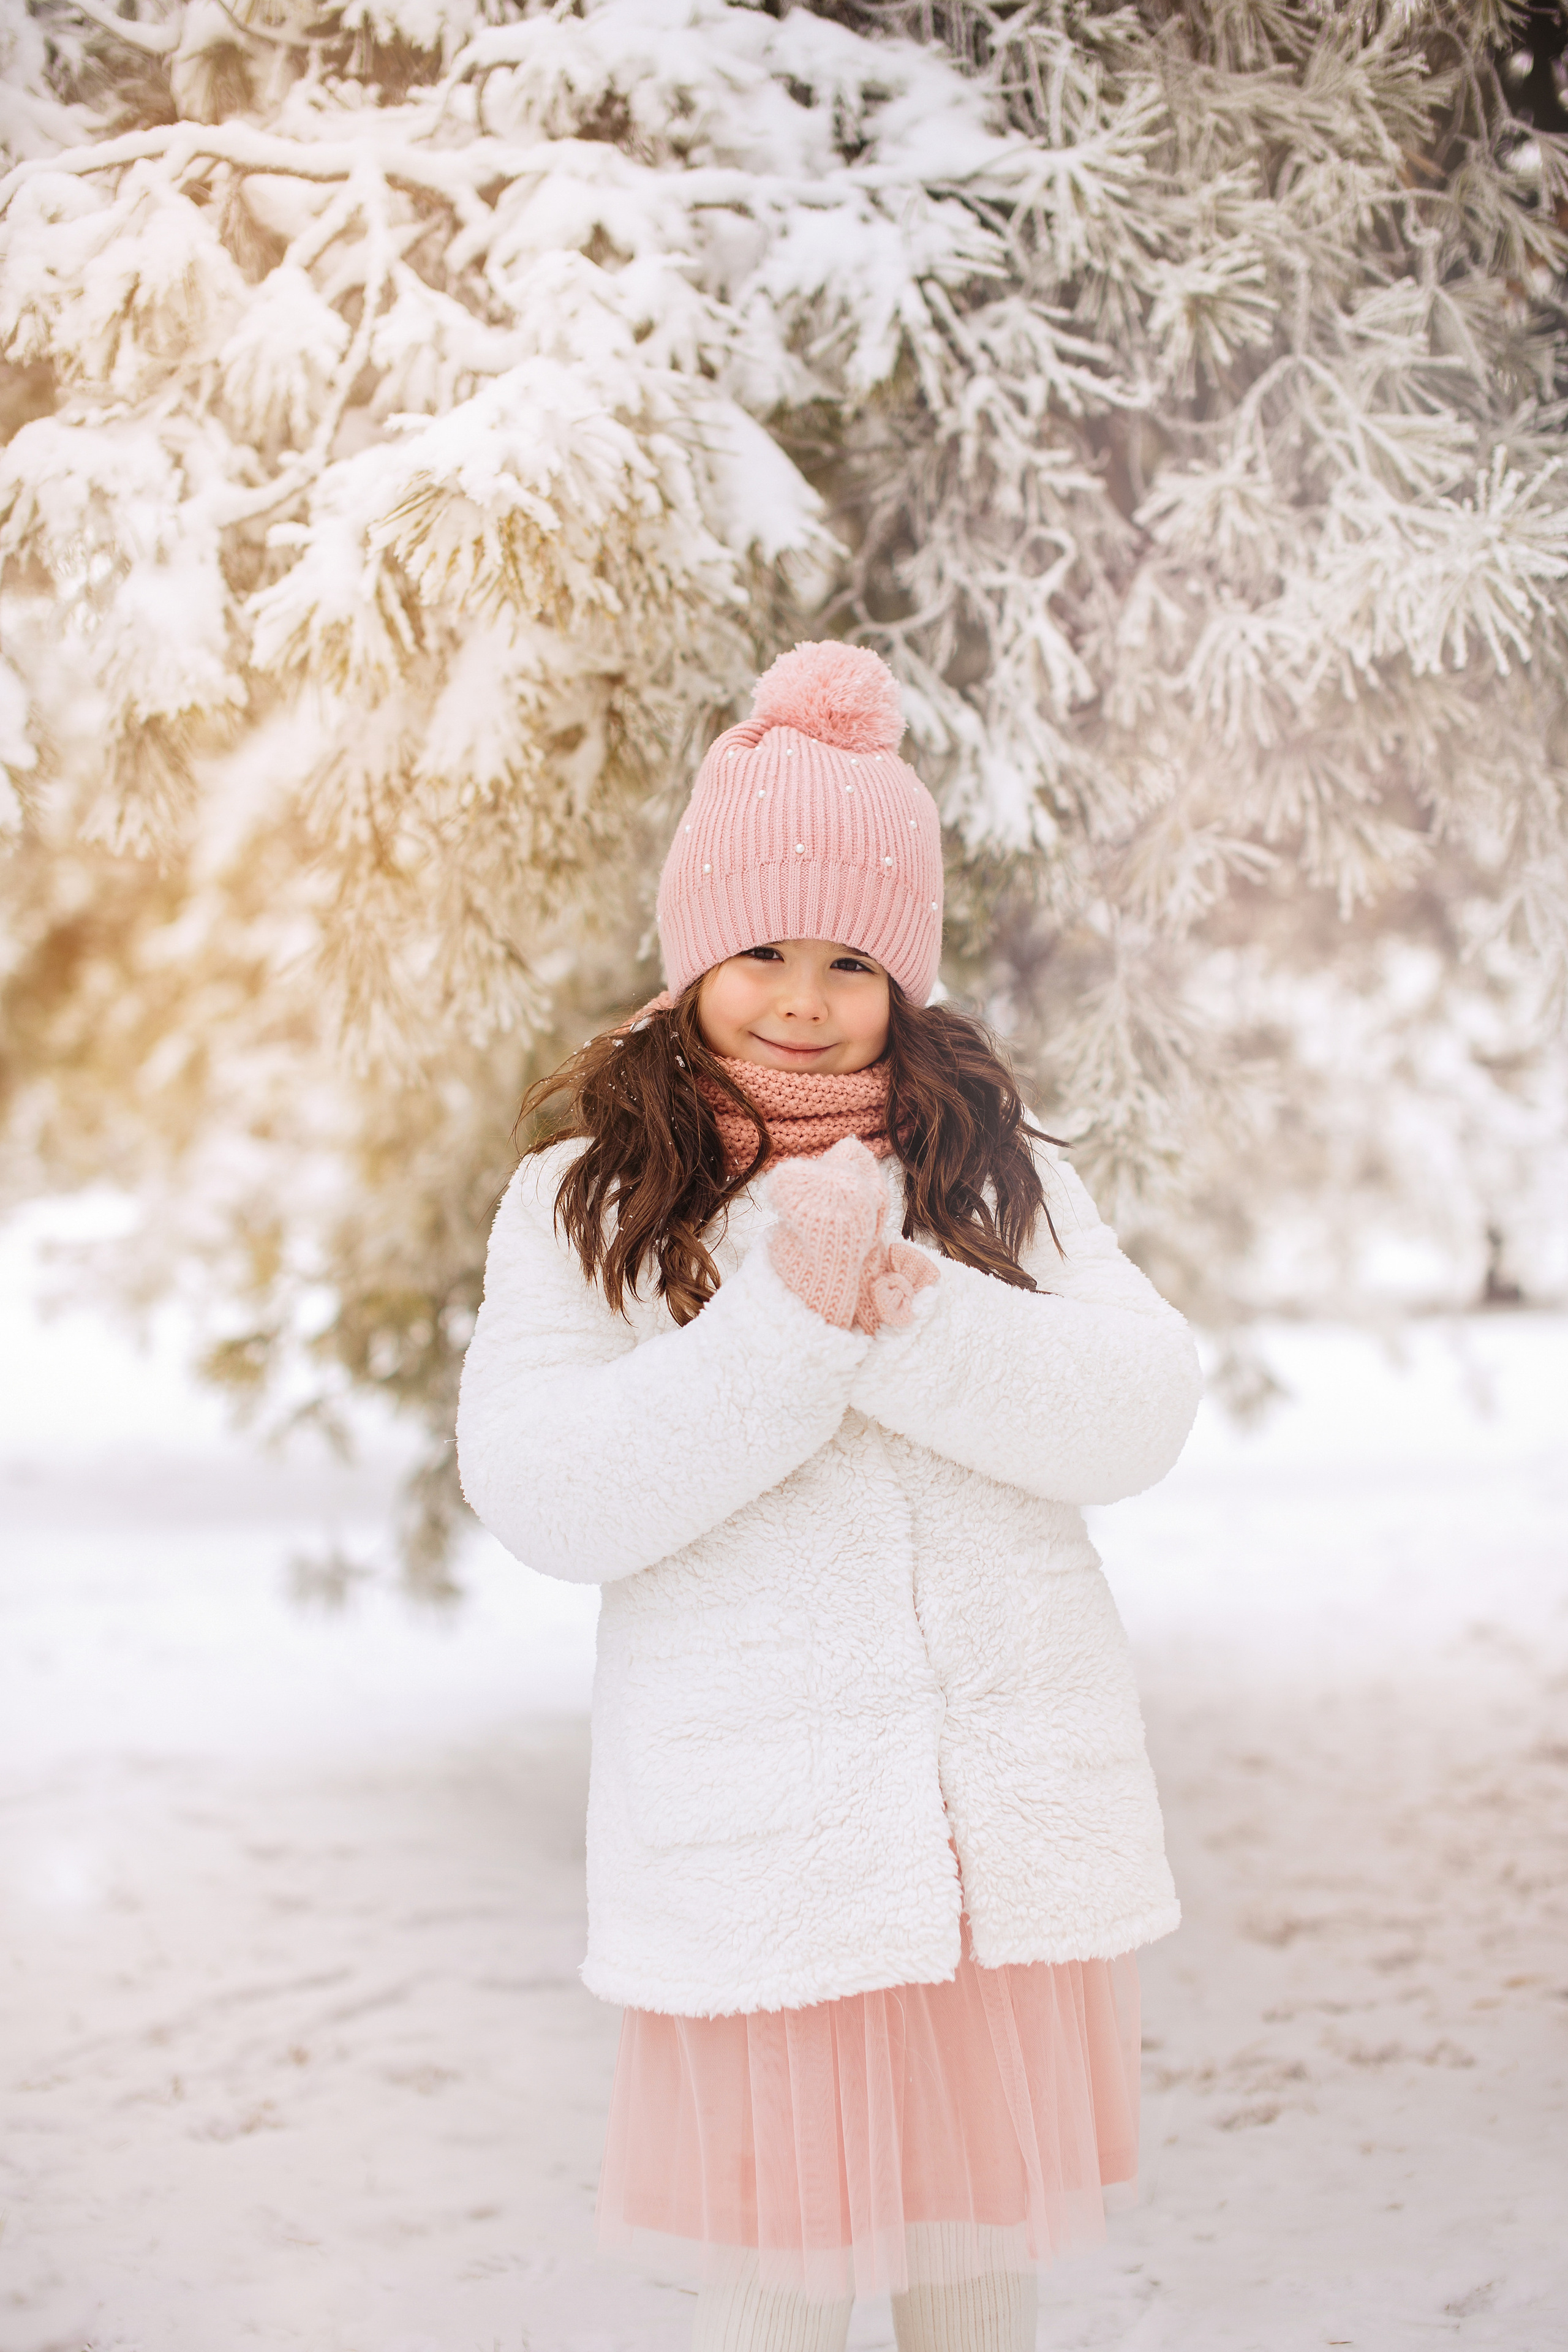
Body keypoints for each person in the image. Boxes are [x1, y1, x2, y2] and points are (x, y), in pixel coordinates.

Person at [456, 642, 1202, 2352]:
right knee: (777, 2306)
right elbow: (551, 1489)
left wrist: (916, 1316)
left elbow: (1137, 1412)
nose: (803, 996)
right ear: (694, 952)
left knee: (970, 2288)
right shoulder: (586, 1200)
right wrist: (792, 1328)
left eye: (851, 958)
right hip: (770, 1842)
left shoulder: (997, 1176)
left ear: (906, 976)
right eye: (763, 951)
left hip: (987, 1849)